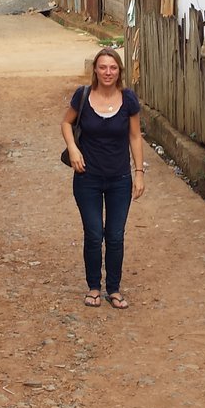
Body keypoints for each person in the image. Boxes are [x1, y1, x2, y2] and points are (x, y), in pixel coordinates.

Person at [61, 48, 146, 309]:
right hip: (87, 178)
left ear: (119, 71)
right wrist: (73, 148)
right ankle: (94, 287)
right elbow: (66, 123)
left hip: (119, 178)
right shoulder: (83, 96)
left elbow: (135, 136)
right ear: (95, 71)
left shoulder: (128, 99)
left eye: (113, 68)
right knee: (94, 233)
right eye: (103, 67)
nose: (108, 72)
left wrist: (139, 173)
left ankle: (114, 289)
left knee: (116, 235)